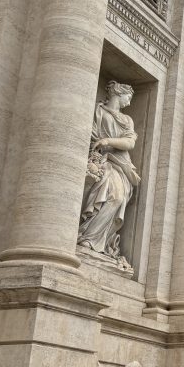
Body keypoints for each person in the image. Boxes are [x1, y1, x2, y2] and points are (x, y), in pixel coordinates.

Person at [79, 82, 141, 271]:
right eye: (128, 97)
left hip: (120, 163)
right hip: (100, 160)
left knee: (117, 198)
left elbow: (130, 142)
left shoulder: (126, 119)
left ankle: (95, 240)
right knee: (110, 196)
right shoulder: (97, 111)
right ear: (118, 93)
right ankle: (87, 237)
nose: (129, 103)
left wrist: (107, 140)